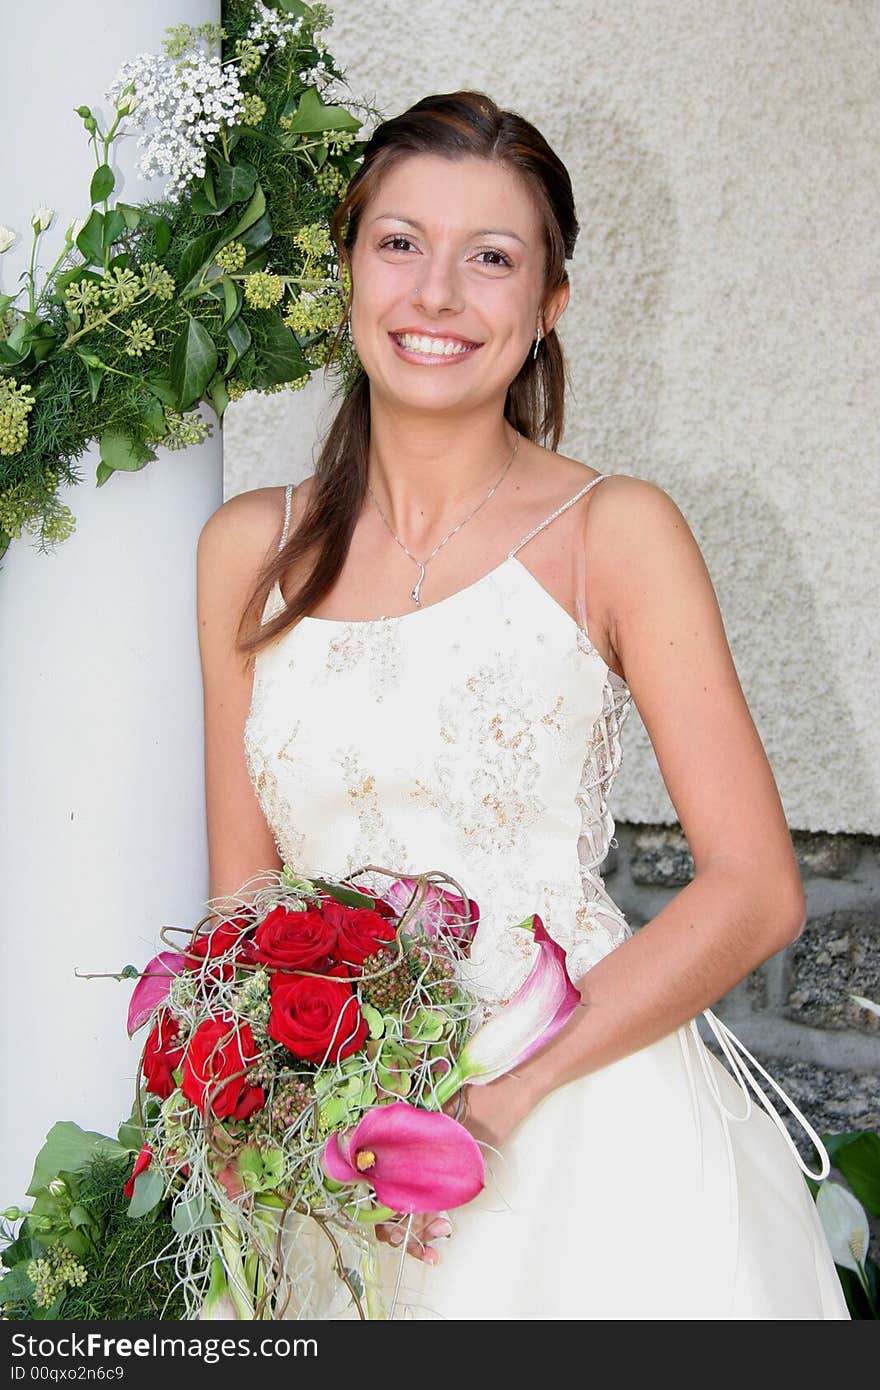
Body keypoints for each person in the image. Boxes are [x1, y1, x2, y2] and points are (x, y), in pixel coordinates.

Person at [196, 91, 849, 1319]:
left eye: (489, 259)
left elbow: (756, 887)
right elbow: (244, 896)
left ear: (548, 306)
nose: (436, 295)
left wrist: (496, 1102)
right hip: (324, 1135)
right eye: (399, 243)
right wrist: (247, 1119)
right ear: (346, 270)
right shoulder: (247, 547)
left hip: (576, 1119)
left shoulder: (617, 531)